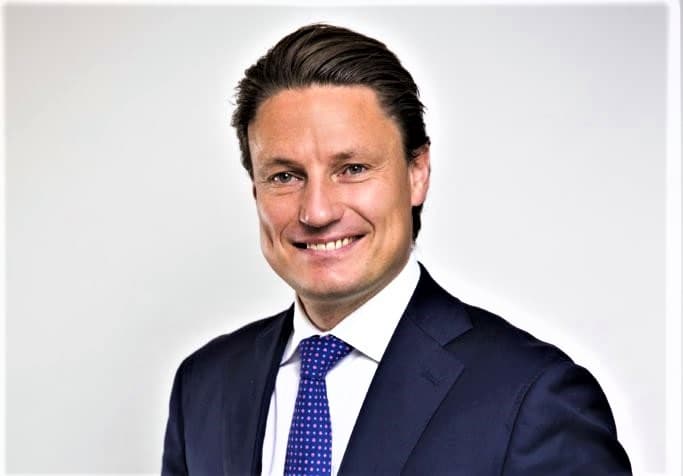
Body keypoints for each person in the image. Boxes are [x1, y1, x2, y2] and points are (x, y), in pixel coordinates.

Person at [162, 23, 632, 475]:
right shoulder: (203, 385)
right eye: (285, 176)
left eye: (352, 169)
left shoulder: (534, 397)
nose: (317, 211)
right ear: (255, 191)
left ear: (417, 173)